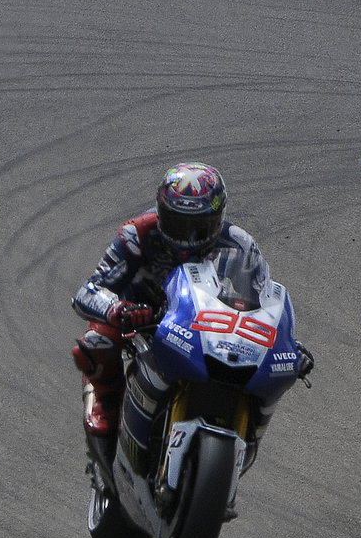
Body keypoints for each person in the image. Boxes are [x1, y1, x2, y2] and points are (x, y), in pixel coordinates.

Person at [68, 162, 273, 436]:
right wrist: (118, 309)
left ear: (219, 216)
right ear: (161, 213)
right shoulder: (136, 234)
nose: (187, 238)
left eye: (199, 227)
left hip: (205, 322)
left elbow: (266, 299)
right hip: (142, 318)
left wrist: (285, 340)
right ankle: (106, 402)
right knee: (97, 340)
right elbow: (88, 290)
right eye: (178, 223)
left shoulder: (239, 243)